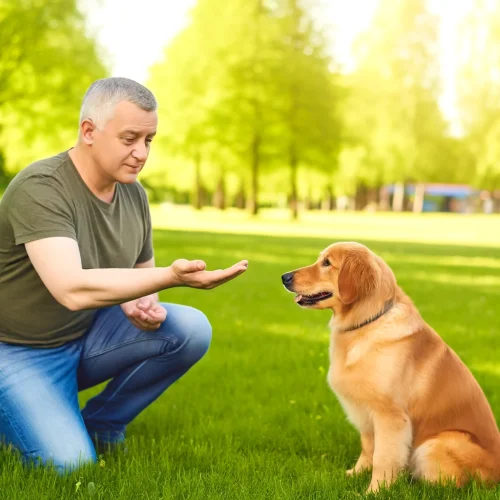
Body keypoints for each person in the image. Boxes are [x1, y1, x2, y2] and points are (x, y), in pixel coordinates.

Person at [0, 77, 248, 473]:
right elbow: (71, 290)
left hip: (82, 337)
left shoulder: (133, 194)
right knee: (71, 466)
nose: (141, 153)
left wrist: (142, 304)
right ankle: (20, 406)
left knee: (190, 329)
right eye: (130, 138)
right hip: (15, 349)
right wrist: (170, 276)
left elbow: (141, 279)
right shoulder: (41, 188)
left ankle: (103, 423)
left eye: (149, 140)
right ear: (89, 132)